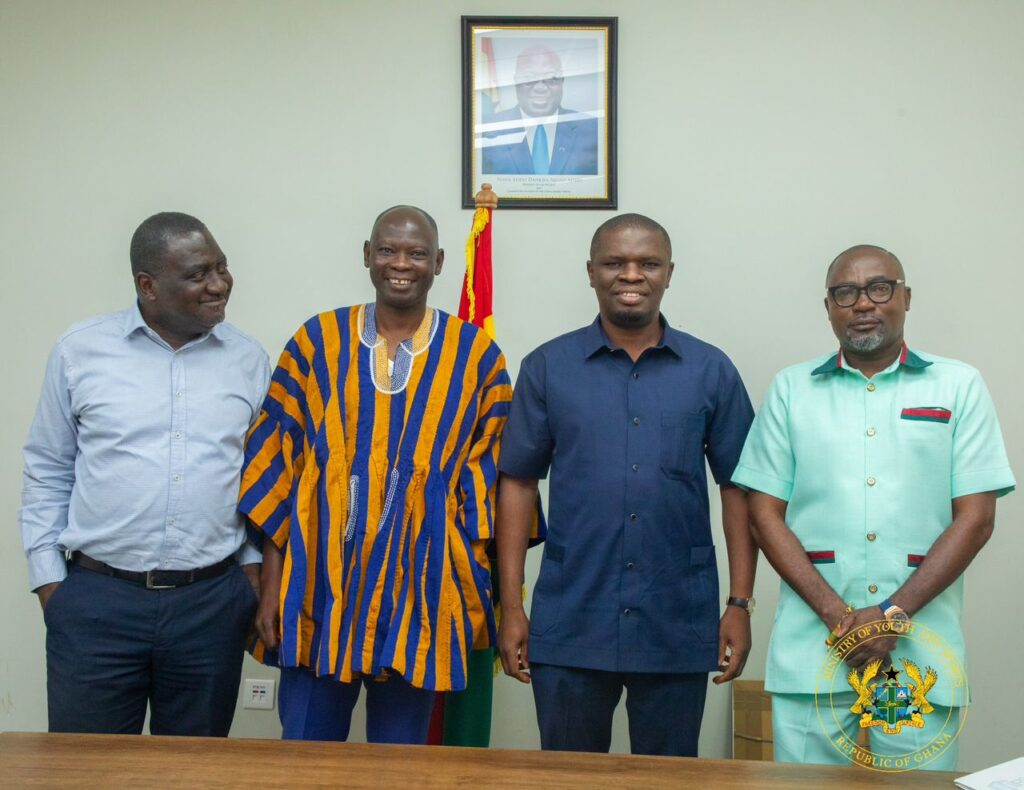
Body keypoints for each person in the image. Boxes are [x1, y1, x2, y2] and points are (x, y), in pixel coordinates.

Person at [732, 245, 1015, 769]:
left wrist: (891, 616)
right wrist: (840, 616)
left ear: (906, 298)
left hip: (921, 653)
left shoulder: (959, 385)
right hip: (813, 646)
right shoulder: (792, 390)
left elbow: (976, 520)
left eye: (879, 288)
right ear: (829, 307)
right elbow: (762, 514)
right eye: (846, 292)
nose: (863, 303)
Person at [240, 205, 510, 744]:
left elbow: (490, 481)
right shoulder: (316, 341)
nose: (400, 263)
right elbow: (276, 467)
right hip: (317, 590)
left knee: (402, 764)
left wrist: (470, 588)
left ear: (438, 263)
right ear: (367, 255)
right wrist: (270, 586)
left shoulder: (477, 355)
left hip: (423, 592)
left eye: (415, 253)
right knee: (306, 760)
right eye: (387, 249)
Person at [495, 213, 758, 756]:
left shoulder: (710, 370)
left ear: (669, 273)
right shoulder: (547, 368)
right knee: (568, 779)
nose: (631, 275)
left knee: (669, 782)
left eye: (648, 264)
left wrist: (738, 603)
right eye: (615, 263)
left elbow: (739, 489)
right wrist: (512, 607)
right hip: (572, 618)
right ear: (591, 272)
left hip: (677, 620)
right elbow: (518, 485)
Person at [20, 211, 270, 735]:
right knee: (88, 774)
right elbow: (48, 467)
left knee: (191, 772)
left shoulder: (248, 360)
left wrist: (249, 571)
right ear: (147, 285)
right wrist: (50, 585)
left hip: (210, 604)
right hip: (97, 603)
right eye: (199, 274)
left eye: (222, 267)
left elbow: (259, 476)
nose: (219, 284)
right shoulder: (79, 351)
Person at [481, 45, 599, 176]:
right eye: (529, 79)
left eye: (551, 79)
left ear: (562, 81)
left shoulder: (593, 130)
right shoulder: (488, 130)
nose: (540, 88)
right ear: (515, 82)